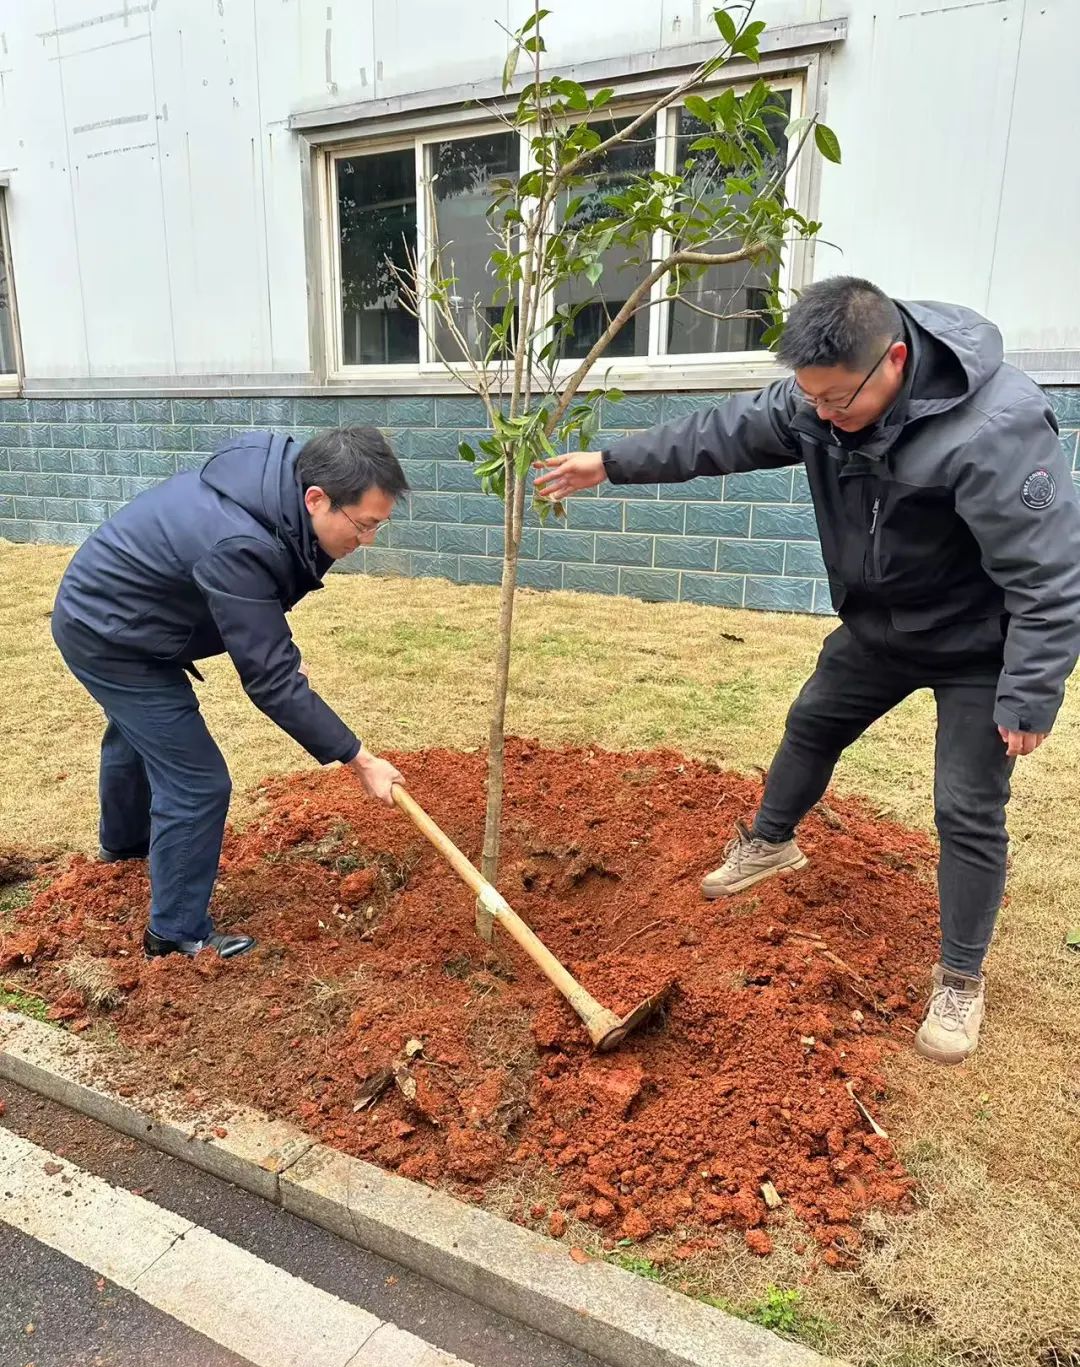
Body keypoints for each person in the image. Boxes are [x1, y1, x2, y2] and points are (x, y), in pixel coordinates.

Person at [536, 276, 1080, 1065]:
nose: (819, 414)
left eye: (835, 399)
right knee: (813, 721)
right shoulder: (820, 397)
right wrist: (609, 463)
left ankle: (961, 979)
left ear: (893, 361)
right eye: (808, 397)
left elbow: (1049, 575)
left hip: (979, 646)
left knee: (966, 806)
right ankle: (770, 843)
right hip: (882, 626)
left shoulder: (995, 428)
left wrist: (1028, 694)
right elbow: (718, 434)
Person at [52, 425, 408, 961]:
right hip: (108, 633)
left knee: (141, 733)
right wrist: (359, 759)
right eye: (364, 525)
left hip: (126, 612)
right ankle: (175, 934)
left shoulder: (277, 488)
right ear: (316, 498)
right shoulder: (241, 542)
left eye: (379, 525)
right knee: (197, 782)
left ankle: (124, 849)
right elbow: (270, 678)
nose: (368, 540)